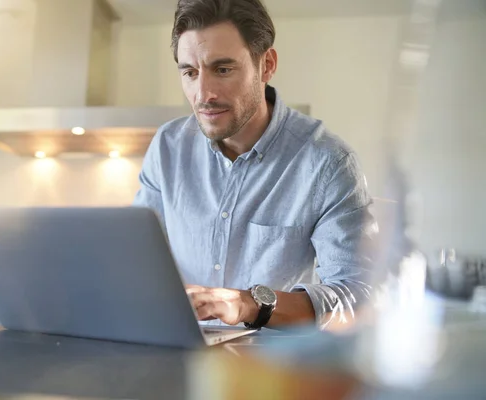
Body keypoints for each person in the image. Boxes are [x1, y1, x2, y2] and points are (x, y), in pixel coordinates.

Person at [133, 0, 376, 330]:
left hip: (270, 367)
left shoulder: (328, 163)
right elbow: (137, 258)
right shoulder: (167, 146)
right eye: (190, 72)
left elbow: (358, 295)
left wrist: (248, 304)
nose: (203, 94)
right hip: (176, 352)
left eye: (223, 69)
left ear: (267, 65)